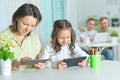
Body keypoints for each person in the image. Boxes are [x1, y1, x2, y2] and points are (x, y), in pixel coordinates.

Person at [0, 3, 43, 70]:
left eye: (32, 26)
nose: (28, 29)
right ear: (17, 18)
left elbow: (35, 64)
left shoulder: (35, 39)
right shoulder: (2, 37)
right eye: (25, 24)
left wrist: (37, 66)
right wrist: (16, 66)